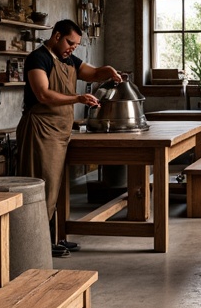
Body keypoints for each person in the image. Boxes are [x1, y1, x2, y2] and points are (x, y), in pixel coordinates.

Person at [17, 19, 122, 258]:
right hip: (41, 129)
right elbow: (43, 94)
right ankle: (38, 243)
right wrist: (77, 98)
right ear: (56, 36)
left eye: (75, 46)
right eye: (69, 43)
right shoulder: (38, 58)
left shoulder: (68, 60)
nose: (72, 49)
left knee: (55, 187)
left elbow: (93, 73)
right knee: (41, 186)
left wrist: (109, 71)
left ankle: (54, 238)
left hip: (60, 132)